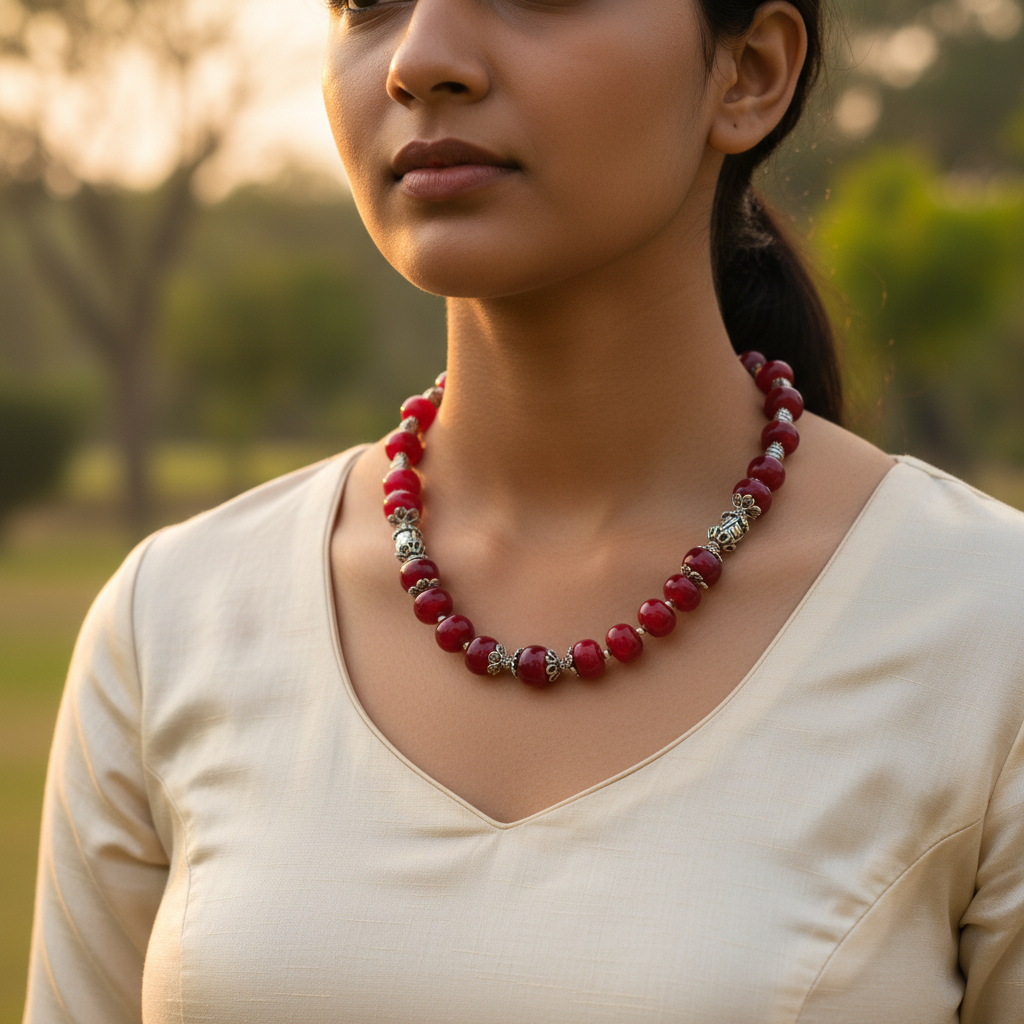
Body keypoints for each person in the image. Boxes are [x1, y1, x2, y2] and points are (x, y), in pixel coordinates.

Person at [23, 0, 1024, 1018]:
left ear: (749, 73)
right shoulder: (175, 623)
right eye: (368, 4)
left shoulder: (985, 626)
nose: (419, 61)